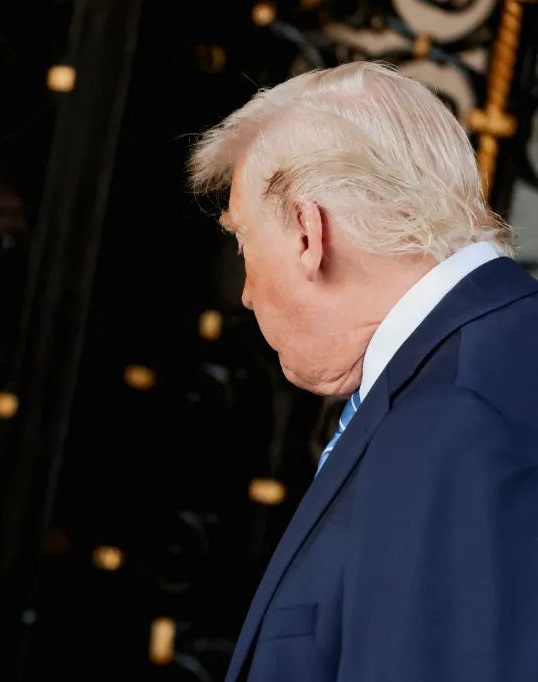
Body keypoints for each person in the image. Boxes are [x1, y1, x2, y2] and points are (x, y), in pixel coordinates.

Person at [189, 61, 538, 682]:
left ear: (307, 232)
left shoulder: (453, 417)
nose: (244, 293)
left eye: (242, 240)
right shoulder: (489, 362)